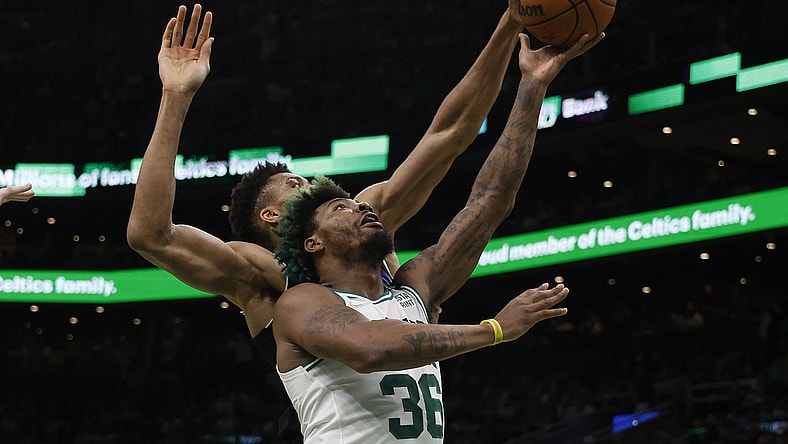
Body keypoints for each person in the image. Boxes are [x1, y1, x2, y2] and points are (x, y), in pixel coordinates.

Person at [128, 1, 531, 349]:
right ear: (271, 217)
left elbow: (450, 134)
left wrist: (511, 23)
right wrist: (175, 96)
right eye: (295, 183)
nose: (315, 184)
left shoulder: (361, 220)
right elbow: (151, 236)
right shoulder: (258, 273)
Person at [272, 31, 603, 442]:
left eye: (359, 204)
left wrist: (532, 87)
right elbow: (371, 348)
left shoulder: (416, 289)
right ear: (313, 243)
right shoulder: (302, 302)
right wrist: (494, 330)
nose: (363, 207)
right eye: (342, 208)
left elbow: (489, 201)